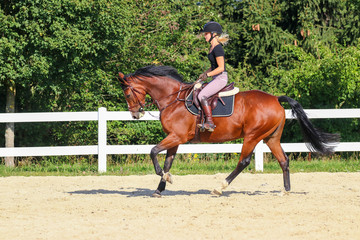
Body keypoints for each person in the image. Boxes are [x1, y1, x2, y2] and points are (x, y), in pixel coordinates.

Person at [197, 21, 229, 132]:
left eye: (206, 34)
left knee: (202, 95)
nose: (204, 36)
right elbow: (213, 66)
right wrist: (203, 75)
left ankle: (210, 123)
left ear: (213, 34)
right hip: (215, 77)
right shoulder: (212, 48)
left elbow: (221, 68)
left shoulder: (218, 48)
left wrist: (208, 75)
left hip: (221, 78)